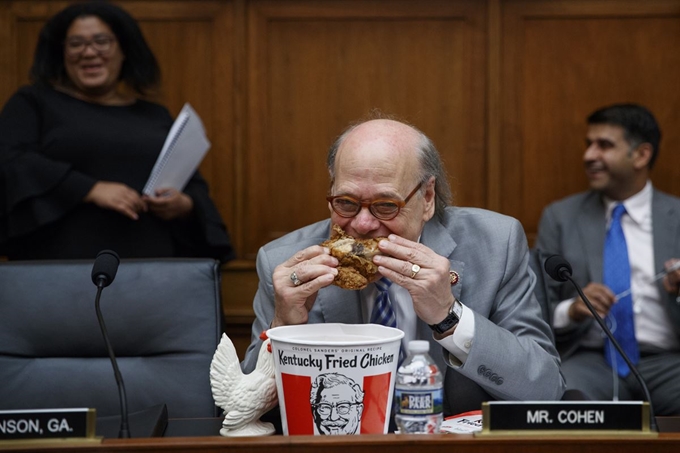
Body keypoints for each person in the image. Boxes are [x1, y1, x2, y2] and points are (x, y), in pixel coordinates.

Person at [242, 115, 565, 416]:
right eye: (346, 203)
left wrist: (449, 317)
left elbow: (546, 389)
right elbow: (245, 410)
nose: (363, 224)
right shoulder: (284, 263)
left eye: (385, 205)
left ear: (427, 198)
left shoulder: (497, 244)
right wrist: (283, 327)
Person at [0, 1, 234, 262]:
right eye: (76, 44)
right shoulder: (33, 103)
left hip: (154, 266)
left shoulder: (154, 114)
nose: (89, 52)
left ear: (124, 50)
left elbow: (193, 186)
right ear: (61, 53)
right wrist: (90, 189)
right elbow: (13, 162)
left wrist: (184, 205)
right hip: (60, 263)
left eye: (102, 41)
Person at [535, 103, 680, 414]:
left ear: (641, 155)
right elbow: (534, 309)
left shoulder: (677, 217)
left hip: (668, 361)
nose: (589, 156)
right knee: (560, 395)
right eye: (589, 144)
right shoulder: (561, 217)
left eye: (604, 145)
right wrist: (572, 310)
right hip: (590, 359)